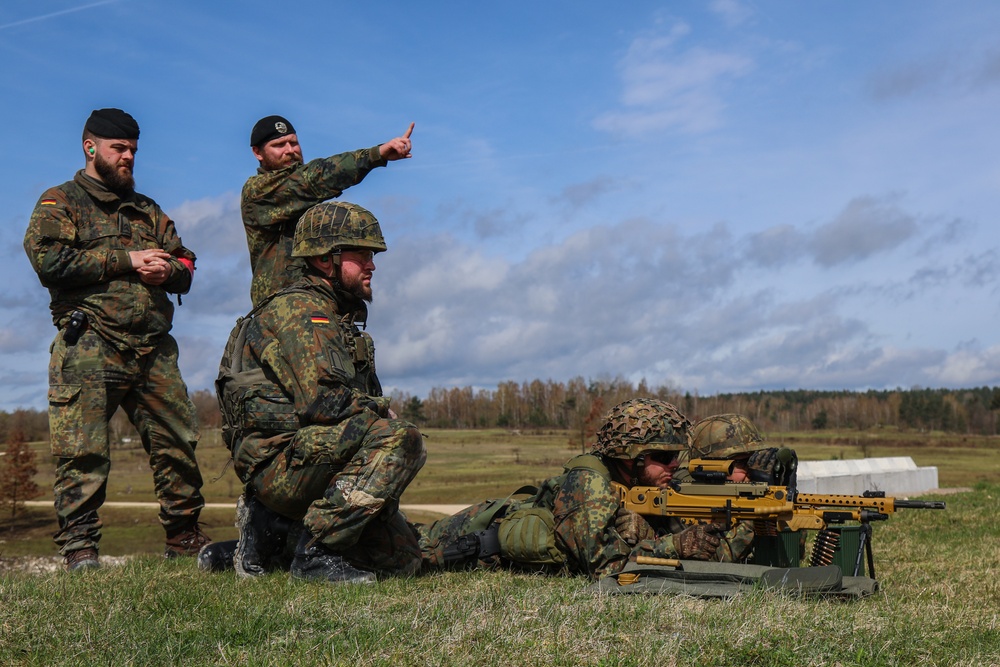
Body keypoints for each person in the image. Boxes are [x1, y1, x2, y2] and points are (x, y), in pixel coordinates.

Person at [23, 108, 211, 571]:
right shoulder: (61, 201)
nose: (127, 157)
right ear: (91, 148)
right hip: (91, 341)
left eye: (132, 151)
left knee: (178, 443)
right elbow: (49, 260)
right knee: (82, 450)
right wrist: (125, 260)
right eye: (118, 149)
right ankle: (81, 547)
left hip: (152, 347)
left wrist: (170, 269)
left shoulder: (147, 210)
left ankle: (184, 536)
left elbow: (186, 261)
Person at [216, 200, 425, 584]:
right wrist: (382, 413)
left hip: (307, 456)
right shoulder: (303, 313)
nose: (372, 265)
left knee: (403, 558)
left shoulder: (333, 313)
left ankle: (265, 540)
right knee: (403, 439)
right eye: (362, 254)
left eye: (372, 255)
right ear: (327, 260)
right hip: (279, 463)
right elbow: (324, 402)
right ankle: (314, 552)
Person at [418, 398, 751, 579]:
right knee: (403, 553)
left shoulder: (651, 485)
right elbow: (605, 566)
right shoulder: (589, 482)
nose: (673, 466)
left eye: (676, 456)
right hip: (466, 539)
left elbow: (705, 553)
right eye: (662, 456)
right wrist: (672, 546)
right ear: (629, 457)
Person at [242, 115, 414, 306]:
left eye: (294, 143)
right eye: (279, 145)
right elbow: (316, 178)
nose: (290, 151)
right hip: (281, 310)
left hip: (318, 305)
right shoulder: (259, 192)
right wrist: (375, 155)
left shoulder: (306, 196)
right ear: (257, 152)